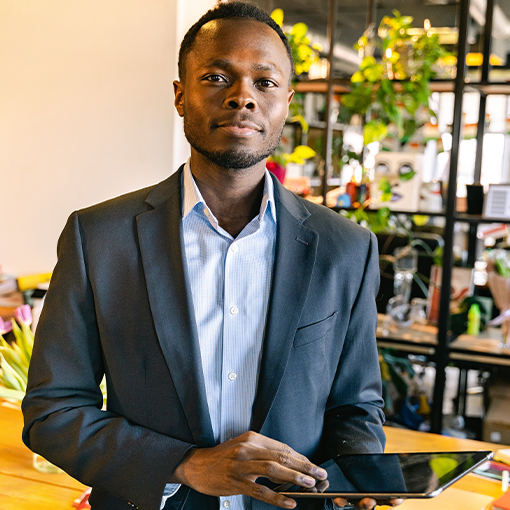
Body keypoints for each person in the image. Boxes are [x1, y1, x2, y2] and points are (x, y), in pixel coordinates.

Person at [22, 3, 400, 510]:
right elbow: (54, 409)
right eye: (217, 76)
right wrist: (184, 464)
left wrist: (359, 480)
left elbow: (355, 407)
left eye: (264, 83)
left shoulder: (346, 248)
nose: (243, 96)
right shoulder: (100, 237)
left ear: (287, 101)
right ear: (180, 95)